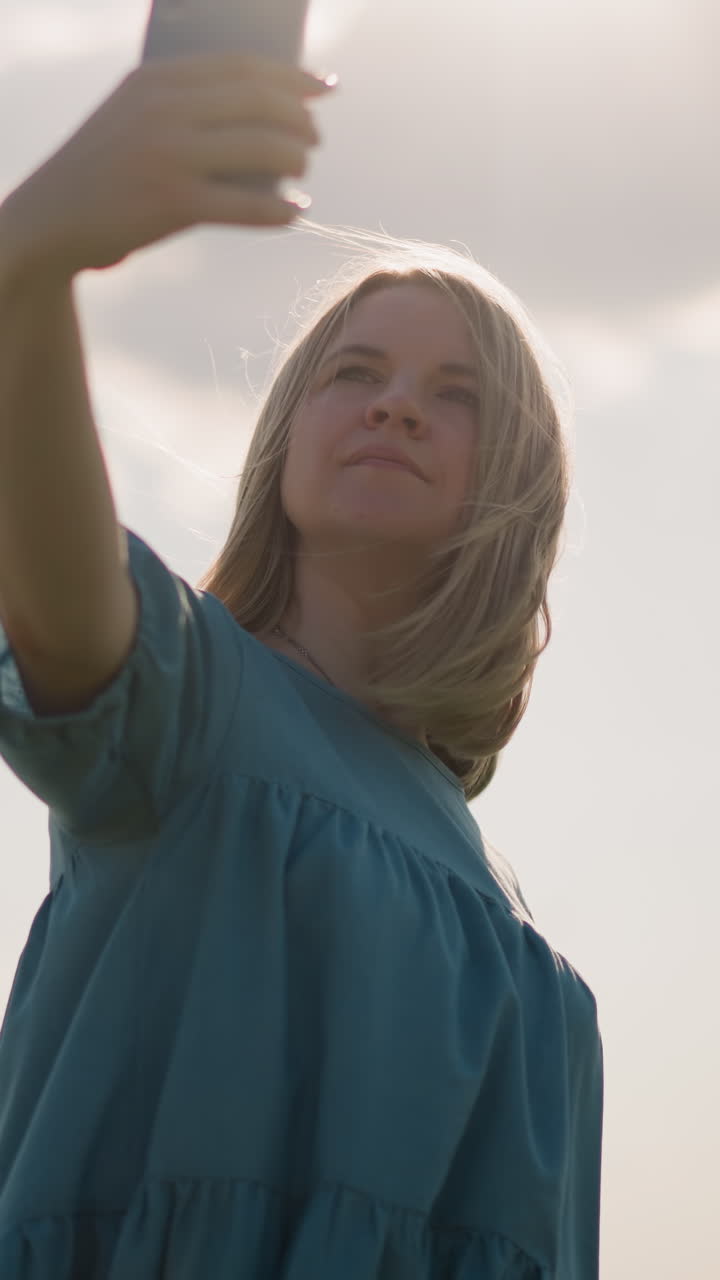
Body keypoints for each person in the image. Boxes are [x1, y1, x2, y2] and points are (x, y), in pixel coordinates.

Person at [0, 51, 603, 1280]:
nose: (395, 407)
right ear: (284, 443)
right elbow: (57, 604)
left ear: (519, 480)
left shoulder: (537, 977)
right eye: (355, 372)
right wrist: (36, 247)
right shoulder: (184, 703)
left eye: (457, 391)